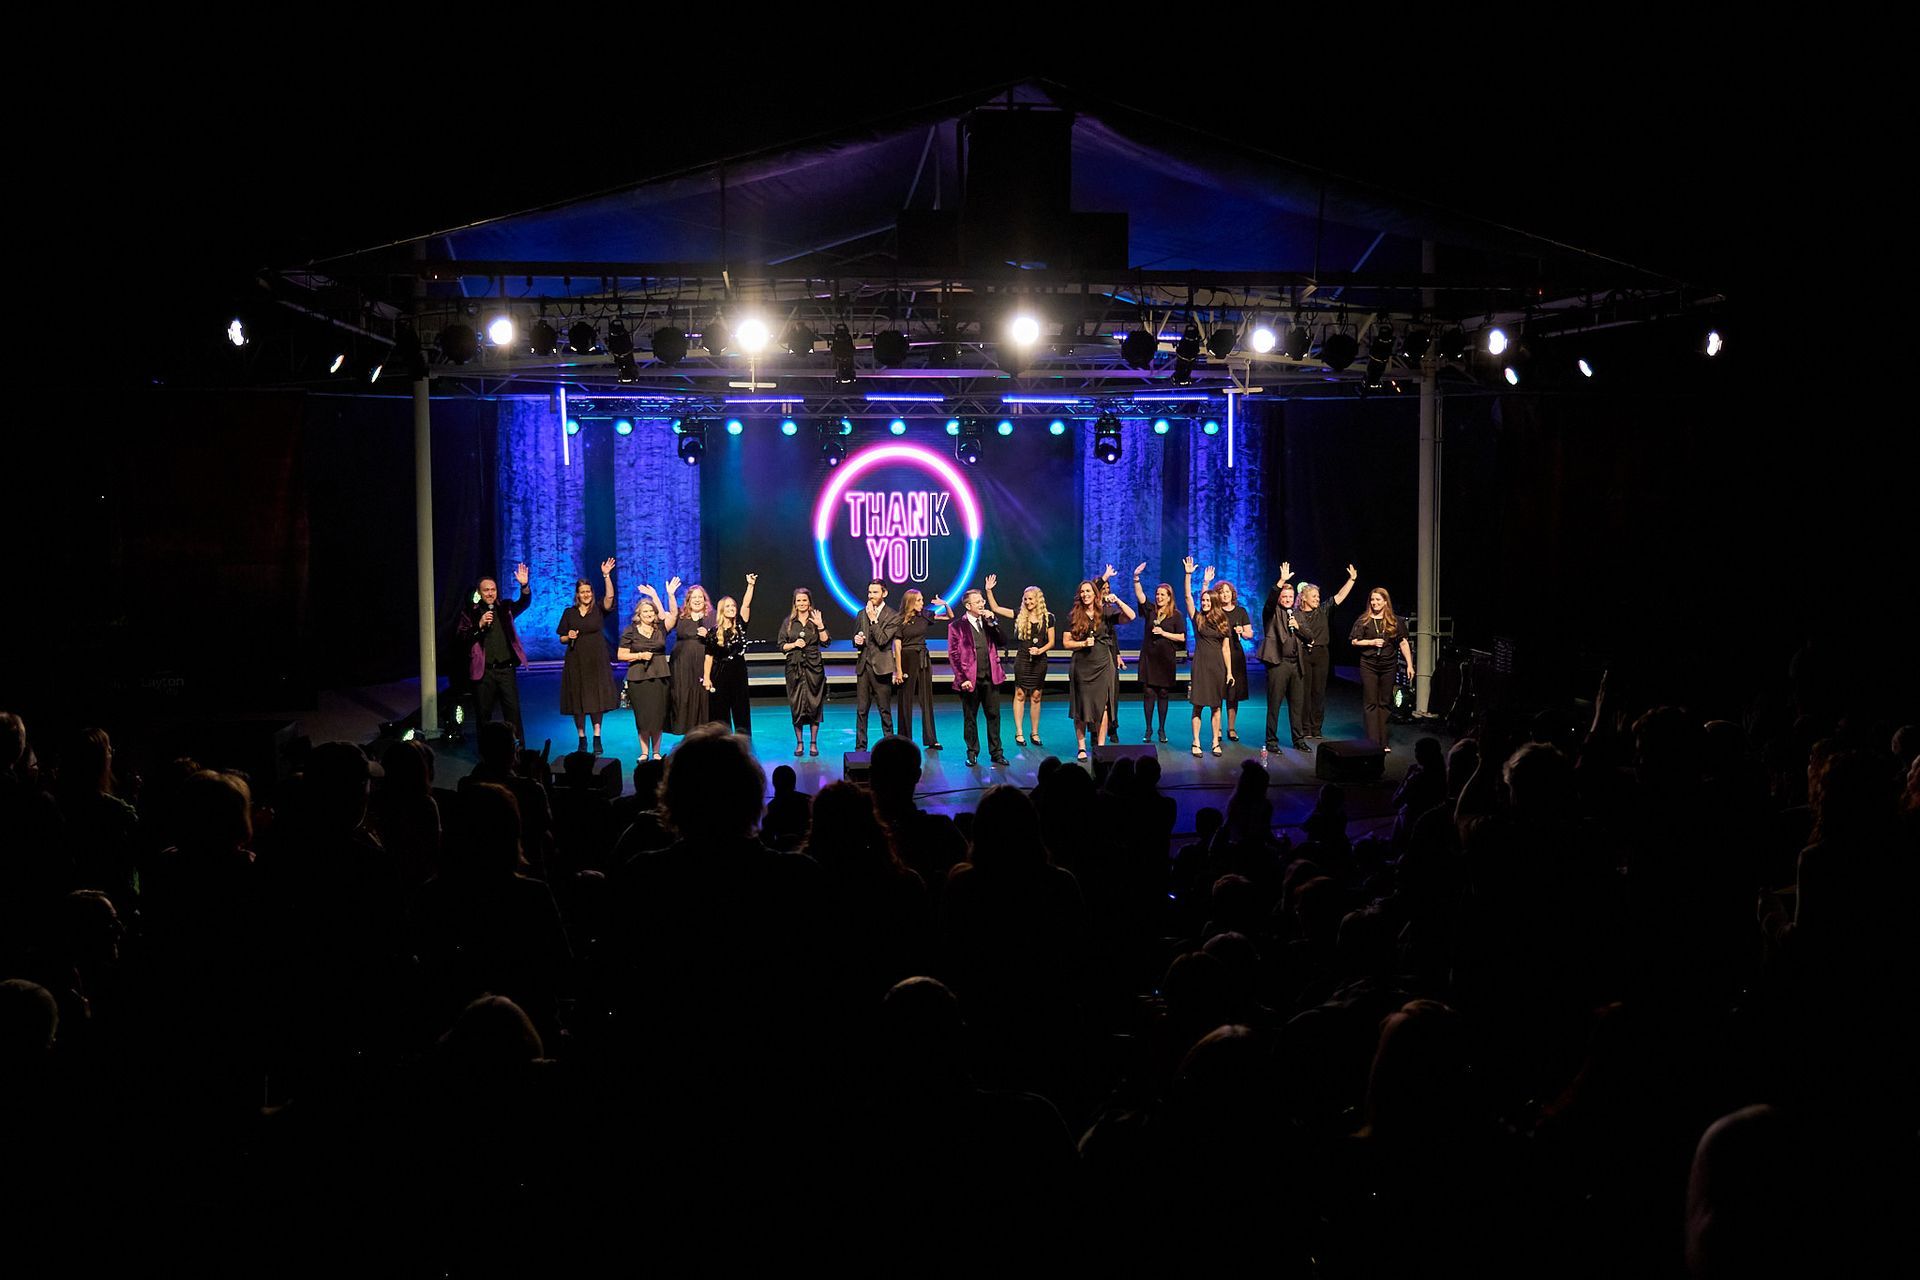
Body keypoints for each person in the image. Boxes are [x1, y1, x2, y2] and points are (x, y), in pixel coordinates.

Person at [1063, 567, 1135, 760]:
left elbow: (1131, 616)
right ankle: (1081, 747)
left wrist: (1117, 600)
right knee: (1080, 707)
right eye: (1083, 591)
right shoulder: (1073, 615)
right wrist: (1082, 643)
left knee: (1102, 707)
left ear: (1095, 594)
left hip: (1103, 664)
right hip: (1082, 665)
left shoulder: (1105, 612)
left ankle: (1101, 746)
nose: (1085, 594)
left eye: (1089, 591)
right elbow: (1066, 642)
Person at [458, 562, 532, 741]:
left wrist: (524, 586)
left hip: (506, 670)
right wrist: (479, 625)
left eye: (493, 589)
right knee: (484, 715)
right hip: (485, 673)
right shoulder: (470, 613)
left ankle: (517, 752)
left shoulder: (504, 608)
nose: (490, 593)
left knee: (513, 712)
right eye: (486, 590)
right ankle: (487, 752)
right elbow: (461, 638)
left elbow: (524, 603)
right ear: (479, 593)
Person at [556, 558, 619, 756]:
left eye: (589, 591)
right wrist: (569, 636)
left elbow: (609, 598)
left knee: (595, 698)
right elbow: (562, 638)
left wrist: (606, 576)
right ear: (577, 594)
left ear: (592, 593)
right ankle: (582, 737)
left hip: (597, 659)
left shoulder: (598, 609)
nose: (586, 594)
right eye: (582, 592)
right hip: (576, 659)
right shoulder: (569, 612)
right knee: (578, 699)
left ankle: (597, 737)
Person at [984, 576, 1054, 748]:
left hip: (1040, 660)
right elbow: (995, 608)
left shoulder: (1048, 618)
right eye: (1026, 599)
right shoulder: (1019, 614)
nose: (1028, 601)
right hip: (1023, 659)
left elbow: (1051, 642)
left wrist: (1040, 650)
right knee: (1020, 694)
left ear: (1038, 600)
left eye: (1031, 599)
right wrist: (988, 590)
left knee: (1036, 696)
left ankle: (1035, 732)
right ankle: (1019, 732)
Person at [1292, 564, 1358, 739]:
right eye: (1314, 596)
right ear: (1304, 598)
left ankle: (1316, 728)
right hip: (1304, 654)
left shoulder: (1323, 610)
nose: (1317, 598)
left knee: (1318, 692)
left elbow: (1340, 596)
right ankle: (1305, 728)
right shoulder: (1296, 615)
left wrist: (1351, 580)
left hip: (1321, 654)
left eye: (1318, 596)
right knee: (1305, 692)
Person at [947, 588, 1008, 768]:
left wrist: (993, 622)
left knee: (994, 715)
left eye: (982, 601)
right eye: (978, 601)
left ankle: (996, 753)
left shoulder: (988, 623)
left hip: (990, 677)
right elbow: (953, 654)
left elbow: (1002, 641)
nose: (982, 604)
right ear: (968, 605)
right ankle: (972, 752)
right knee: (970, 717)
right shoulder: (956, 626)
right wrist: (961, 678)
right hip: (969, 680)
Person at [1350, 586, 1415, 751]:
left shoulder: (1394, 620)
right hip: (1369, 664)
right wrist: (1371, 642)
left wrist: (1409, 664)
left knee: (1385, 702)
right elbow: (1354, 641)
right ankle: (1372, 741)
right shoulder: (1364, 620)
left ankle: (1383, 741)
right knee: (1371, 702)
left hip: (1389, 664)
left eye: (1378, 600)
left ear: (1386, 602)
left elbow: (1403, 642)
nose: (1374, 603)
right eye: (1372, 600)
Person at [1183, 557, 1234, 757]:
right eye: (1202, 600)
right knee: (1197, 705)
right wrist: (1189, 575)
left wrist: (1229, 672)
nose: (1203, 603)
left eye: (1206, 600)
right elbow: (1188, 597)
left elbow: (1226, 649)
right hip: (1201, 665)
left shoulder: (1222, 621)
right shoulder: (1197, 619)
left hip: (1217, 667)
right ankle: (1195, 742)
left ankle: (1214, 741)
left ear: (1213, 602)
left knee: (1215, 706)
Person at [617, 587, 672, 764]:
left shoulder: (661, 629)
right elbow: (621, 655)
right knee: (642, 716)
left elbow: (672, 615)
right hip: (638, 677)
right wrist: (639, 655)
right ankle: (644, 752)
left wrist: (657, 595)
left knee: (657, 715)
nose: (648, 613)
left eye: (651, 611)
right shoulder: (630, 631)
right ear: (638, 614)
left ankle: (656, 752)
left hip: (660, 675)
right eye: (645, 611)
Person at [893, 588, 950, 751]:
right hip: (906, 658)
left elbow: (949, 617)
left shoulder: (925, 614)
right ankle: (905, 738)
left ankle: (931, 738)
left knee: (926, 698)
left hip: (923, 657)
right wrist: (898, 669)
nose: (922, 603)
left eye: (922, 600)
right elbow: (897, 645)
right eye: (918, 600)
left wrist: (945, 604)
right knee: (905, 699)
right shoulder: (899, 620)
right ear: (910, 602)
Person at [777, 588, 830, 757]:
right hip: (794, 668)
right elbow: (781, 645)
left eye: (804, 600)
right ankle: (799, 743)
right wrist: (794, 645)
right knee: (796, 705)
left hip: (814, 668)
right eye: (798, 601)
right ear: (795, 603)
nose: (801, 604)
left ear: (809, 602)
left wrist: (820, 626)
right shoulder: (789, 622)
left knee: (815, 704)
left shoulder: (815, 621)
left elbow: (826, 642)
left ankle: (813, 743)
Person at [1133, 567, 1184, 744]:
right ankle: (1148, 729)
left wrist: (1163, 633)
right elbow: (1140, 597)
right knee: (1148, 693)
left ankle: (1162, 729)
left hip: (1165, 660)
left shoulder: (1177, 616)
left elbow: (1182, 637)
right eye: (1157, 594)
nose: (1159, 597)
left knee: (1163, 693)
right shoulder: (1150, 611)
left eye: (1163, 594)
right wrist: (1136, 578)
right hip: (1149, 658)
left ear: (1169, 597)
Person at [1258, 580, 1309, 753]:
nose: (1287, 599)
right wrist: (1280, 582)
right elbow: (1270, 601)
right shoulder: (1271, 613)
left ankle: (1299, 739)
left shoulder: (1298, 614)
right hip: (1278, 664)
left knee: (1297, 706)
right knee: (1274, 705)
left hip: (1296, 665)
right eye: (1284, 596)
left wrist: (1298, 627)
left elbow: (1309, 635)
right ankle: (1271, 741)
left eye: (1290, 596)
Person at [851, 579, 902, 751]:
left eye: (875, 592)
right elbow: (858, 638)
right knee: (862, 710)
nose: (871, 596)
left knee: (884, 710)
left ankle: (890, 746)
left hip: (882, 668)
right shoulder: (861, 613)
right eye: (869, 592)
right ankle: (860, 748)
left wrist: (873, 620)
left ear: (884, 593)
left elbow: (882, 640)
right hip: (864, 667)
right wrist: (857, 640)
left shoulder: (893, 616)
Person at [703, 575, 757, 736]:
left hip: (738, 673)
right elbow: (709, 656)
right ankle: (722, 745)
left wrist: (750, 585)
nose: (732, 608)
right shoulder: (713, 633)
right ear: (722, 610)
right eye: (728, 606)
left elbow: (746, 604)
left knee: (741, 711)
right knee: (720, 713)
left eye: (733, 605)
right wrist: (706, 677)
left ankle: (743, 746)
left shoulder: (740, 626)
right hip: (719, 674)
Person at [1214, 578, 1256, 743]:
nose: (1224, 595)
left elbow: (1249, 634)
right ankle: (1216, 728)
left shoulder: (1241, 611)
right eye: (1221, 592)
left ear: (1232, 594)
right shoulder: (1216, 612)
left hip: (1236, 655)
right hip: (1217, 654)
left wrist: (1242, 632)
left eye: (1227, 591)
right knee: (1217, 693)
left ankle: (1231, 728)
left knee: (1233, 694)